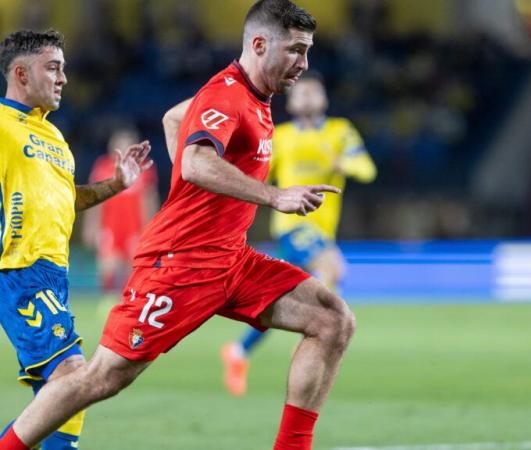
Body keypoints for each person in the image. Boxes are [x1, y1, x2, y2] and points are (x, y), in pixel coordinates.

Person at [0, 2, 355, 450]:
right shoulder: (227, 97)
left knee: (332, 319)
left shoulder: (253, 98)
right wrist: (273, 196)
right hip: (181, 263)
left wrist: (196, 204)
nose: (304, 63)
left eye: (307, 52)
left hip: (230, 257)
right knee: (101, 377)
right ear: (260, 44)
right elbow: (193, 161)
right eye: (296, 50)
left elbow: (174, 119)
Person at [0, 30, 153, 450]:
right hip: (18, 270)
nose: (63, 77)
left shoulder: (53, 139)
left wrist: (116, 185)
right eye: (53, 68)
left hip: (54, 274)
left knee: (60, 393)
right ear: (21, 74)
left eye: (64, 68)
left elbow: (68, 198)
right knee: (74, 375)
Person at [220, 70, 376, 396]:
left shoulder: (340, 131)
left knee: (274, 299)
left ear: (324, 99)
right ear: (290, 101)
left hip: (322, 230)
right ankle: (315, 337)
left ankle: (237, 352)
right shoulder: (281, 136)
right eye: (300, 93)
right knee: (333, 268)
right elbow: (258, 173)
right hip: (293, 226)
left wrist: (343, 165)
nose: (306, 97)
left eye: (313, 92)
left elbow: (366, 169)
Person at [82, 125, 159, 297]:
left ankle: (130, 303)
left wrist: (151, 230)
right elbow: (94, 199)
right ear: (112, 146)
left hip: (134, 227)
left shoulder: (144, 169)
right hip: (111, 226)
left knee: (134, 270)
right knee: (108, 267)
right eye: (119, 144)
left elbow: (149, 201)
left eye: (127, 143)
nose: (124, 147)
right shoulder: (102, 166)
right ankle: (107, 303)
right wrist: (91, 226)